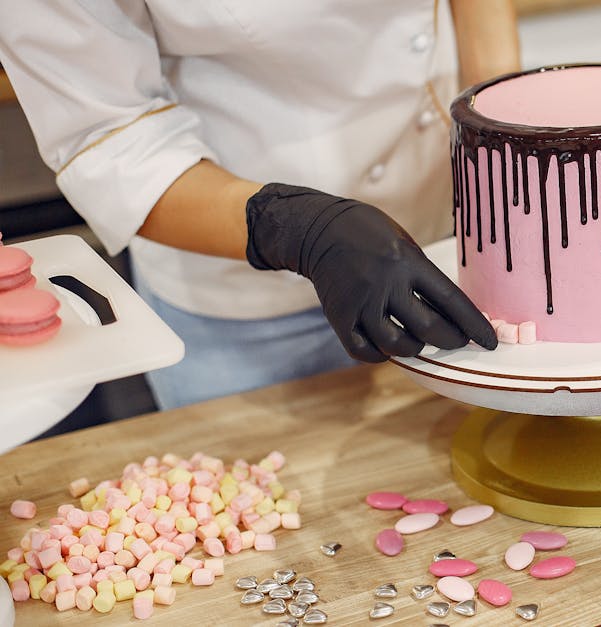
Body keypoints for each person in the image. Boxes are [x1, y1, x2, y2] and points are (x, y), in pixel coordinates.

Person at [0, 1, 519, 409]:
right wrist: (300, 230)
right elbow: (112, 136)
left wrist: (503, 141)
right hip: (240, 296)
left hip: (438, 238)